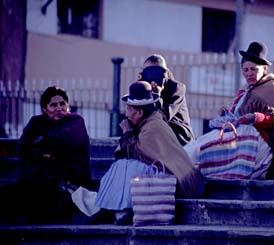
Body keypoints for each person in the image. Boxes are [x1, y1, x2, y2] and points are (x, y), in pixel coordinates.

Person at [72, 81, 204, 224]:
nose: (126, 114)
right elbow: (124, 152)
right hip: (169, 177)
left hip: (179, 182)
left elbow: (130, 152)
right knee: (123, 164)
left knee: (127, 166)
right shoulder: (148, 123)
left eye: (129, 109)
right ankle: (110, 209)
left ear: (139, 112)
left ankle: (109, 209)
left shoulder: (153, 127)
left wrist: (127, 132)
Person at [0, 86, 91, 224]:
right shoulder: (36, 123)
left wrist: (40, 143)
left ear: (68, 105)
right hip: (42, 176)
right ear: (44, 109)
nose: (59, 108)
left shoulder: (75, 121)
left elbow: (65, 141)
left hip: (69, 180)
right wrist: (43, 154)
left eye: (62, 104)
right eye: (53, 105)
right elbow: (23, 147)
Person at [218, 41, 274, 179]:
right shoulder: (246, 90)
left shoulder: (272, 88)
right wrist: (227, 113)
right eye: (245, 70)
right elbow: (237, 114)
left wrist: (255, 117)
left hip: (263, 144)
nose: (249, 74)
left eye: (254, 69)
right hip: (241, 137)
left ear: (264, 69)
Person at [139, 54, 194, 146]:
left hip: (179, 138)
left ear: (165, 72)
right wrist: (140, 86)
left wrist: (156, 95)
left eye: (157, 72)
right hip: (156, 137)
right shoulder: (145, 88)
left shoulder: (176, 88)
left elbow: (164, 117)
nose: (152, 76)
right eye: (148, 72)